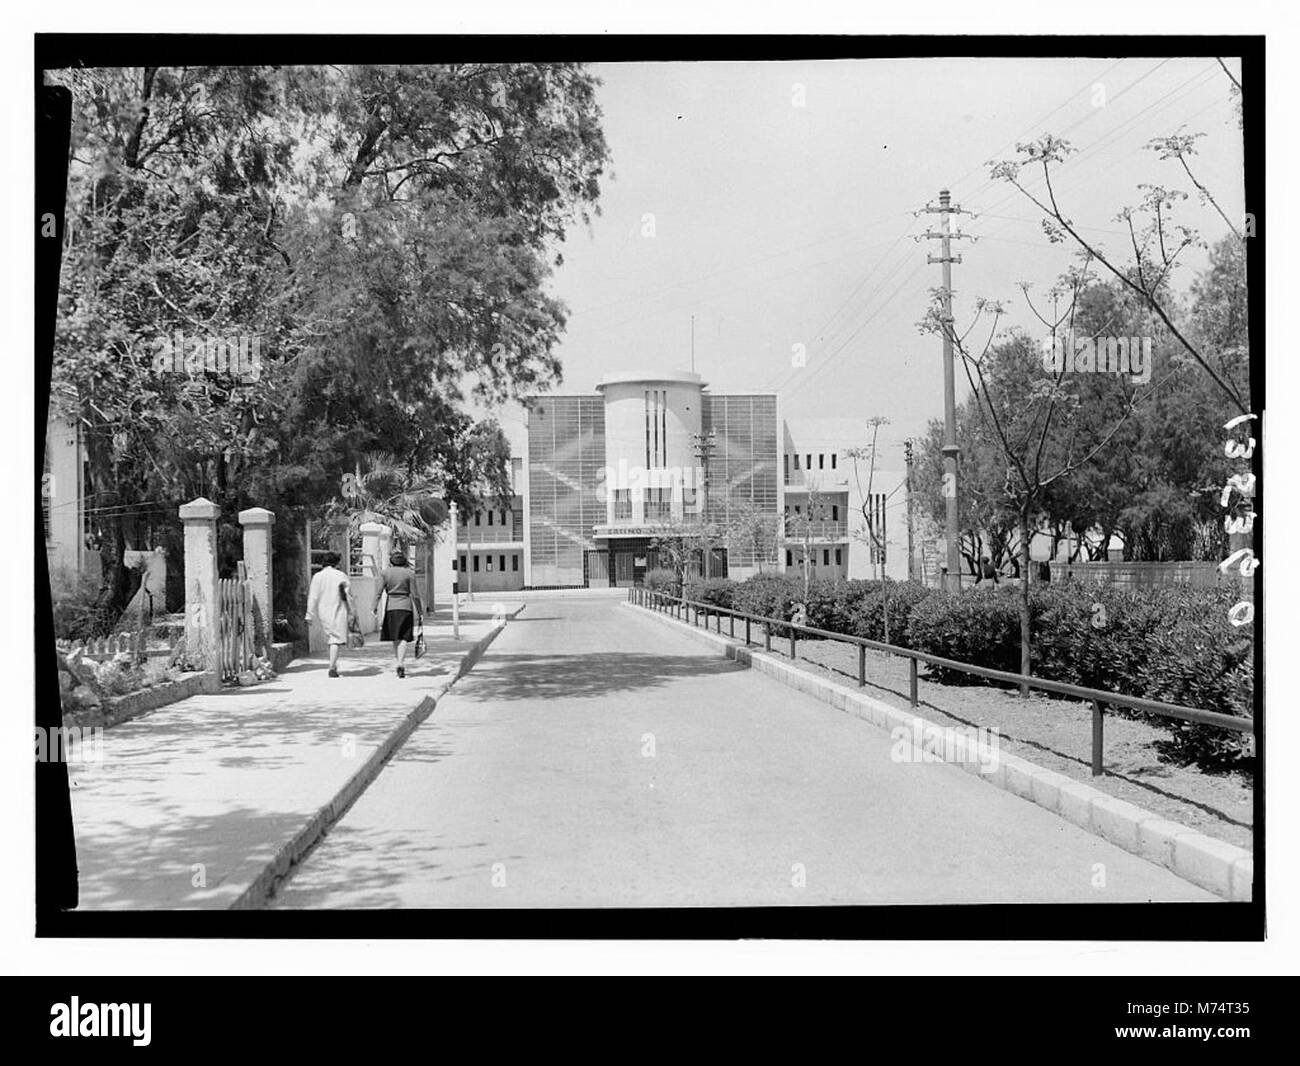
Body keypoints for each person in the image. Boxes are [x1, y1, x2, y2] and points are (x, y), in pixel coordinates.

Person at [373, 549, 422, 678]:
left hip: (391, 607)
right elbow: (415, 595)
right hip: (406, 607)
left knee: (395, 637)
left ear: (391, 561)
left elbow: (378, 592)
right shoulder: (409, 573)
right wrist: (420, 610)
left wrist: (374, 607)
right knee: (405, 636)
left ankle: (398, 661)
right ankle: (401, 662)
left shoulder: (385, 573)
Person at [305, 551, 354, 678]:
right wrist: (352, 610)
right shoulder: (341, 575)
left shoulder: (318, 576)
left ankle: (333, 664)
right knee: (335, 639)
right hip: (339, 608)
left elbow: (313, 596)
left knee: (331, 637)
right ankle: (332, 666)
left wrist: (309, 614)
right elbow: (348, 594)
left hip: (323, 611)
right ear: (336, 563)